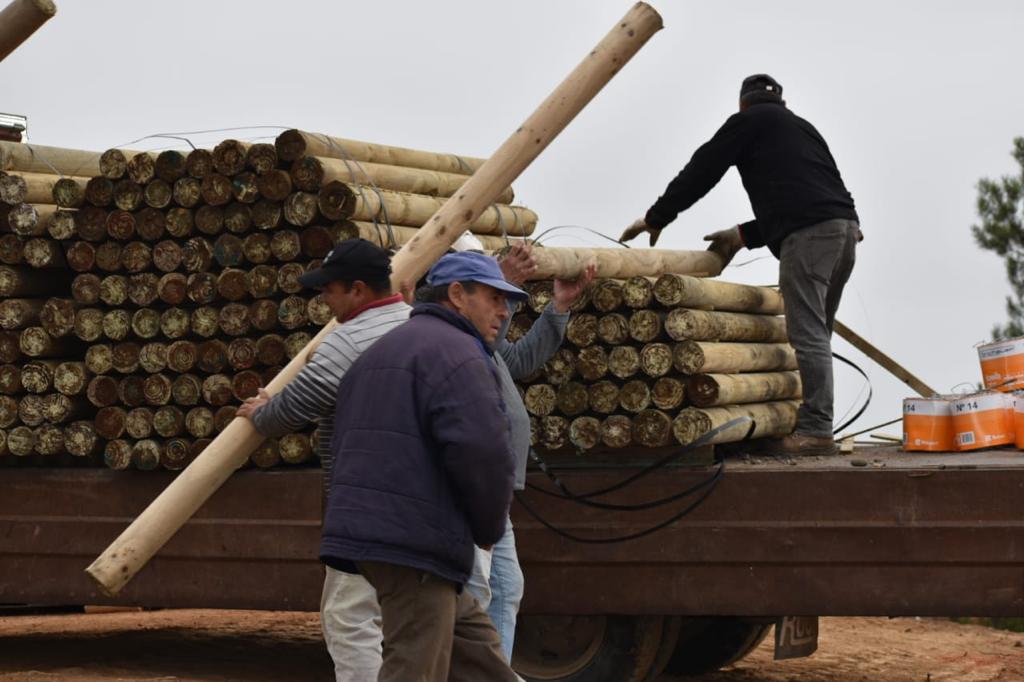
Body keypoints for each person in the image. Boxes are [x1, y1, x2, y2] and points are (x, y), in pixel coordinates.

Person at [620, 74, 860, 456]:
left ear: (741, 104)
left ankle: (816, 431)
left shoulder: (746, 122)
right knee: (818, 332)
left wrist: (658, 216)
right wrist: (741, 236)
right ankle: (812, 419)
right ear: (781, 101)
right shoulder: (803, 129)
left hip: (811, 236)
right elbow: (810, 192)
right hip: (845, 231)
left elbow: (704, 168)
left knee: (808, 335)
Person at [322, 251, 529, 682]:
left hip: (387, 536)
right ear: (457, 294)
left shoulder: (383, 351)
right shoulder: (460, 355)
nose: (504, 310)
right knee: (415, 666)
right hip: (416, 545)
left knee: (479, 657)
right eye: (494, 297)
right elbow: (483, 455)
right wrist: (488, 529)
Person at [235, 238, 410, 682]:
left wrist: (262, 412)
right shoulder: (420, 324)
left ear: (356, 289)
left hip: (364, 505)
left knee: (349, 620)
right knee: (423, 625)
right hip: (422, 503)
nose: (323, 300)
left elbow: (292, 410)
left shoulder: (346, 341)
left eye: (328, 290)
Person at [460, 245, 595, 663]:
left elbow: (517, 359)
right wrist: (509, 284)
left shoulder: (484, 340)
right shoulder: (456, 338)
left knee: (504, 587)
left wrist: (558, 307)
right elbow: (481, 346)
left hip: (493, 490)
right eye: (494, 297)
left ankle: (491, 673)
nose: (501, 308)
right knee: (480, 592)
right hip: (473, 487)